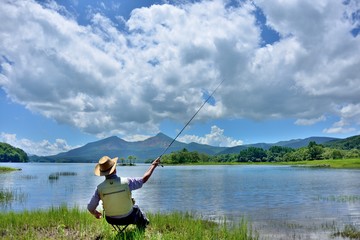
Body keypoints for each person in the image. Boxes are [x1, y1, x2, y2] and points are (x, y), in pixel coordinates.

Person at [87, 155, 160, 229]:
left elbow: (90, 208)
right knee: (136, 209)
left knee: (135, 208)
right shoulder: (127, 182)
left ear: (102, 173)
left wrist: (96, 213)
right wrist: (153, 165)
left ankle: (143, 223)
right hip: (129, 218)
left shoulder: (99, 188)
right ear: (114, 169)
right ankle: (143, 225)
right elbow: (144, 179)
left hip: (110, 219)